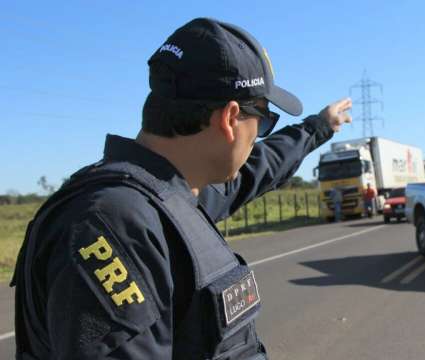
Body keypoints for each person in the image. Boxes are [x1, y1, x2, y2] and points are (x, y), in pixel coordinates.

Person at [11, 18, 351, 359]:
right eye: (263, 120)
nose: (257, 136)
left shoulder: (174, 197)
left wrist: (320, 127)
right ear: (230, 118)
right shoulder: (113, 223)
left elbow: (257, 167)